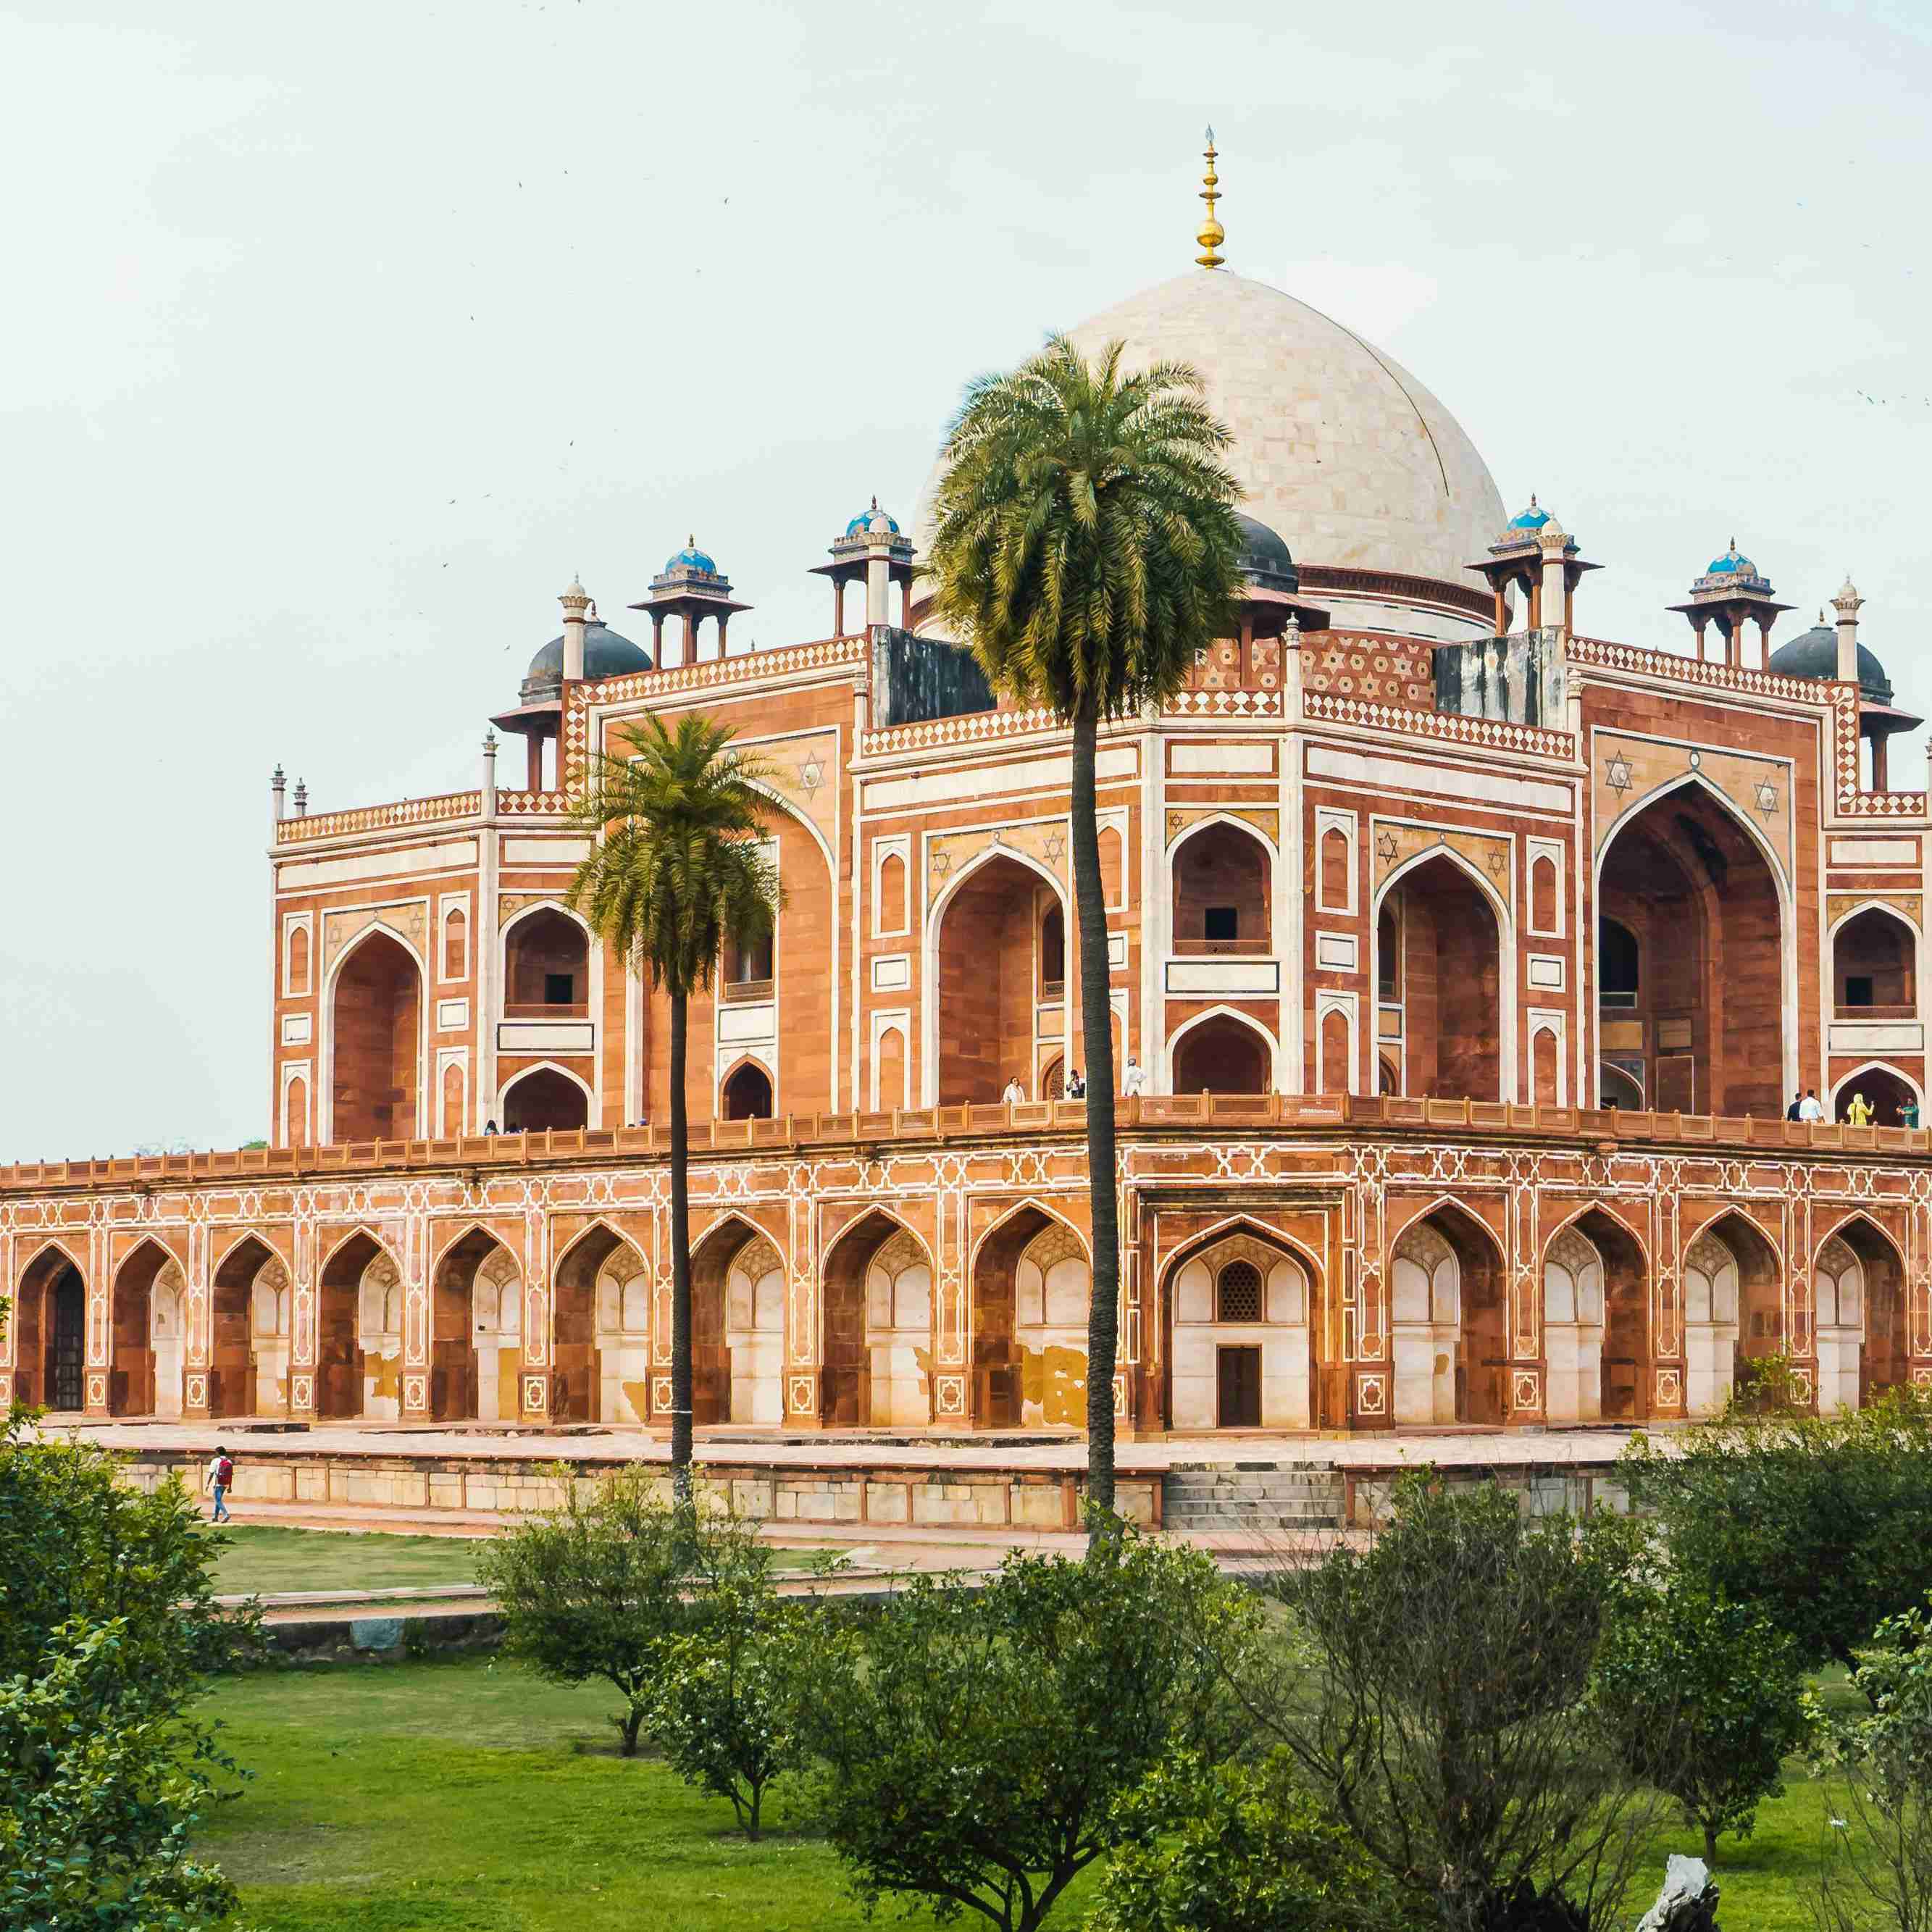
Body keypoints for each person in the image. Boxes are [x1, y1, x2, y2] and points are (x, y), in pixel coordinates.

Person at [204, 1444, 234, 1524]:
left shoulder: (215, 1461)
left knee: (218, 1500)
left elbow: (211, 1473)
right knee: (218, 1500)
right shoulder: (229, 1461)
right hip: (225, 1484)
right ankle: (215, 1517)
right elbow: (230, 1475)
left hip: (217, 1483)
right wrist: (229, 1486)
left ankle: (226, 1514)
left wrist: (208, 1484)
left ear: (217, 1453)